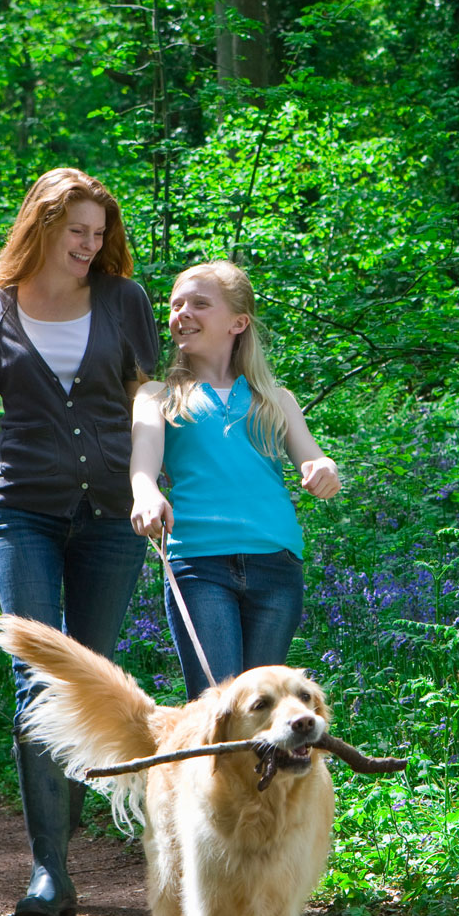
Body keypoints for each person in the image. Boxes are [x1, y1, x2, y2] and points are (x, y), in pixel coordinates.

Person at [0, 169, 159, 916]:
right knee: (38, 683)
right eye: (77, 231)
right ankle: (50, 871)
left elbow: (147, 400)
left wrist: (149, 485)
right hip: (20, 513)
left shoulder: (124, 300)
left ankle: (59, 830)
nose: (90, 245)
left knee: (90, 688)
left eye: (99, 233)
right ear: (41, 223)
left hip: (111, 515)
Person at [129, 261, 342, 700]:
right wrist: (146, 494)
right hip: (200, 564)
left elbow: (315, 458)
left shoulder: (275, 400)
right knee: (220, 710)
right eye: (176, 305)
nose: (182, 313)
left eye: (200, 304)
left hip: (276, 564)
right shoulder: (158, 396)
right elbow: (143, 464)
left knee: (267, 713)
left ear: (238, 323)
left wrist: (324, 469)